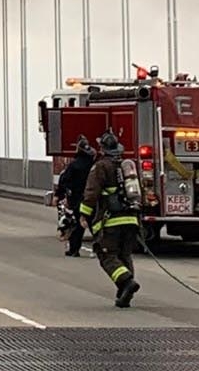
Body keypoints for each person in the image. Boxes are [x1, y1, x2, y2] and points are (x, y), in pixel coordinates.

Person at [78, 131, 141, 308]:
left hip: (111, 221)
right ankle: (124, 294)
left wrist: (83, 214)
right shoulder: (127, 167)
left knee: (106, 255)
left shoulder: (101, 167)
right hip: (131, 219)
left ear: (102, 149)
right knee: (124, 255)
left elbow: (91, 193)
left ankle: (126, 282)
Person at [54, 137, 95, 257]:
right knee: (94, 224)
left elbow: (64, 180)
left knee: (77, 225)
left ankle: (74, 250)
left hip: (77, 199)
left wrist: (59, 195)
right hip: (92, 198)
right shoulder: (94, 165)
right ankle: (100, 248)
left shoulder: (74, 165)